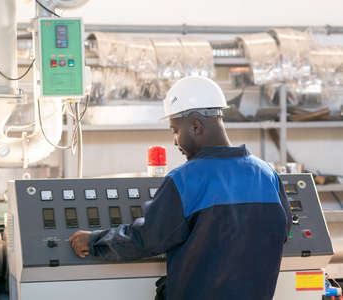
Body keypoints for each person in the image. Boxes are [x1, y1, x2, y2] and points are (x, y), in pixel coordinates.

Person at [69, 76, 292, 300]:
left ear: (195, 126)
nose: (175, 141)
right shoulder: (267, 174)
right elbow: (280, 234)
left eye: (175, 130)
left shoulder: (185, 180)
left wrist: (94, 240)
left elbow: (147, 239)